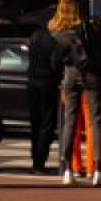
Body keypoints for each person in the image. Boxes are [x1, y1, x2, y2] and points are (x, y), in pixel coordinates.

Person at [50, 0, 101, 186]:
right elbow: (99, 48)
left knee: (70, 121)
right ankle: (98, 169)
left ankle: (67, 169)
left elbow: (54, 61)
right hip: (90, 73)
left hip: (70, 74)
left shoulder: (57, 32)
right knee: (95, 120)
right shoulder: (86, 28)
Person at [26, 11, 60, 174]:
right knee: (47, 122)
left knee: (35, 122)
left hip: (32, 81)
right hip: (47, 81)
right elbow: (55, 64)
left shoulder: (34, 37)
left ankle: (35, 159)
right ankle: (40, 160)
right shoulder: (52, 40)